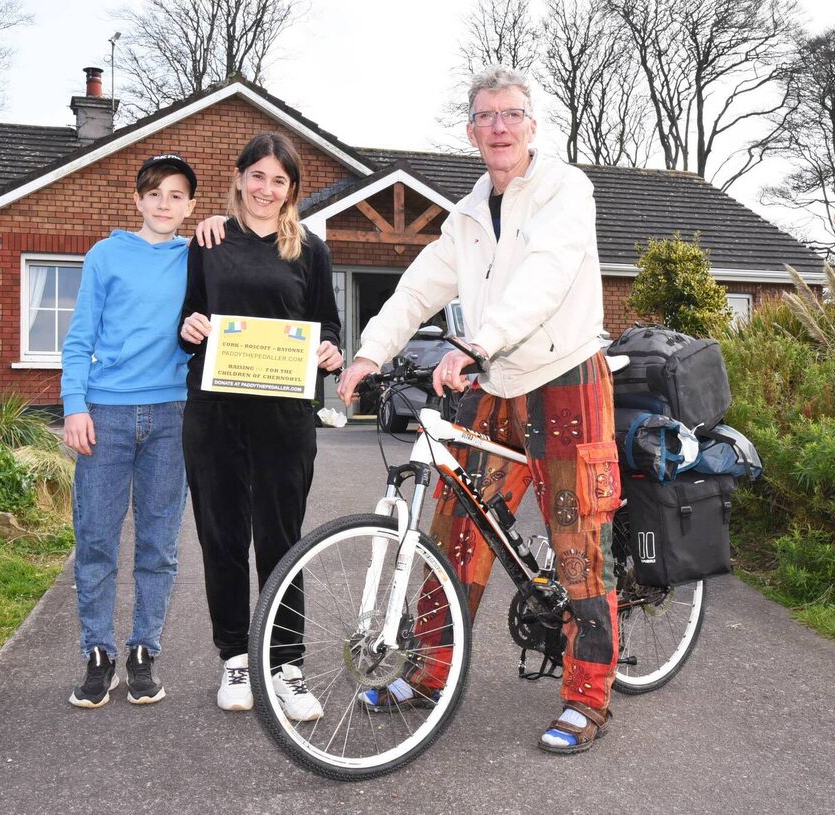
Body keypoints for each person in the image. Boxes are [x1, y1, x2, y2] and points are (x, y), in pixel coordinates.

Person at [337, 66, 622, 755]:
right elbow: (418, 287)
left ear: (533, 125)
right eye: (487, 116)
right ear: (471, 131)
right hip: (493, 384)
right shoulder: (466, 215)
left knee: (576, 539)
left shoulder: (565, 189)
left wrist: (475, 341)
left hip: (564, 377)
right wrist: (370, 352)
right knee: (454, 529)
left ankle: (587, 698)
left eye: (513, 114)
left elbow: (546, 277)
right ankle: (429, 671)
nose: (500, 126)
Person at [178, 133, 342, 721]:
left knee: (281, 538)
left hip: (283, 415)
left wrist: (330, 350)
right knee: (222, 537)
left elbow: (327, 325)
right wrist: (190, 327)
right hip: (216, 413)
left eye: (280, 180)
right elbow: (187, 316)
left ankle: (286, 663)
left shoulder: (311, 250)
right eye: (258, 177)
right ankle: (234, 658)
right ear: (240, 177)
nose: (267, 190)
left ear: (291, 189)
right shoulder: (210, 241)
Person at [60, 153, 198, 708]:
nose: (165, 204)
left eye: (177, 195)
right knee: (95, 539)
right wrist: (75, 406)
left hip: (172, 417)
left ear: (191, 206)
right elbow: (79, 336)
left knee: (159, 546)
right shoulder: (106, 255)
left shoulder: (200, 257)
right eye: (155, 193)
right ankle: (98, 654)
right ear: (138, 199)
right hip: (107, 415)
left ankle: (143, 652)